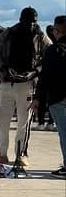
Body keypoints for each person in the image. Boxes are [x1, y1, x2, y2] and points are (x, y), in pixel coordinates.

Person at [0, 7, 52, 165]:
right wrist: (3, 68)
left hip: (27, 84)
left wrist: (35, 72)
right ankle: (1, 153)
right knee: (2, 121)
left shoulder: (41, 36)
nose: (31, 25)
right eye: (28, 21)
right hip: (6, 82)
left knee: (24, 122)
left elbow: (49, 58)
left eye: (34, 22)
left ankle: (21, 154)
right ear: (20, 20)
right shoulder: (8, 33)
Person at [35, 15, 66, 177]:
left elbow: (45, 77)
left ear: (57, 30)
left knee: (64, 132)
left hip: (58, 97)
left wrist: (37, 98)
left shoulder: (54, 50)